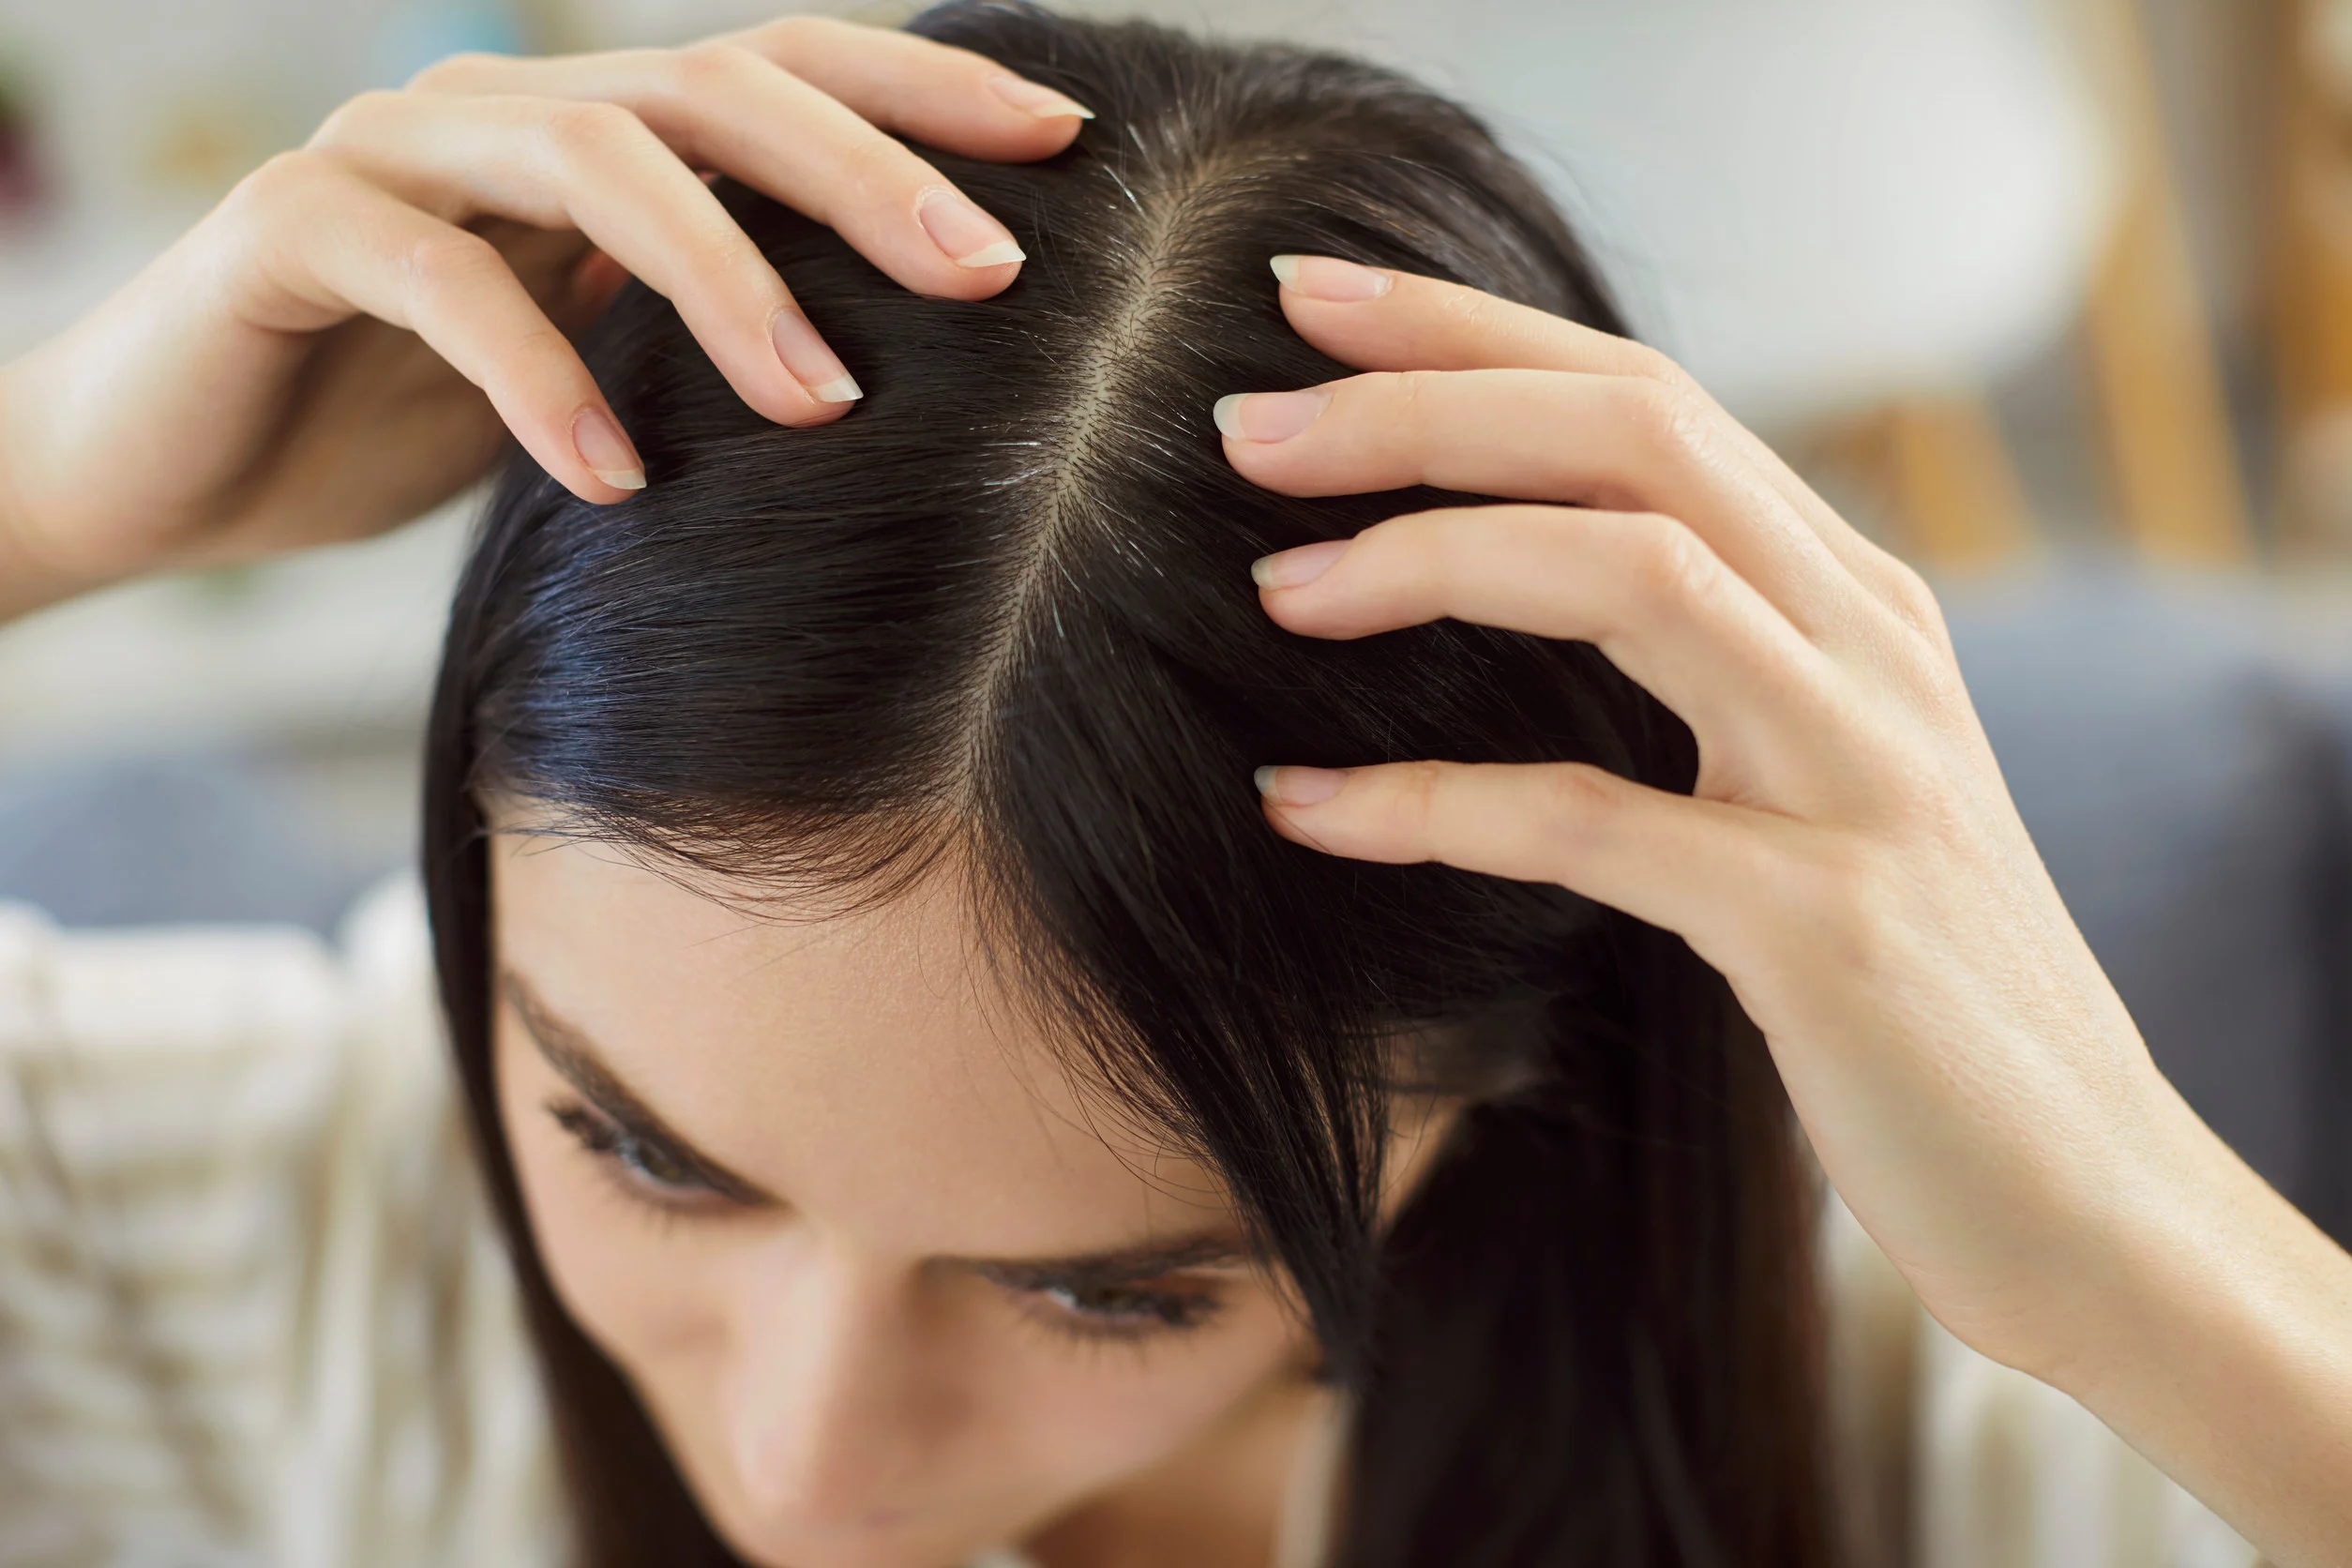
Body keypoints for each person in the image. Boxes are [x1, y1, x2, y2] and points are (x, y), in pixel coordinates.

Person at [0, 4, 2344, 1567]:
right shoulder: (281, 1252)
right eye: (637, 1143)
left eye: (1108, 1291)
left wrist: (2144, 1239)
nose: (810, 1478)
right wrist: (41, 486)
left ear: (1524, 1079)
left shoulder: (1957, 1466)